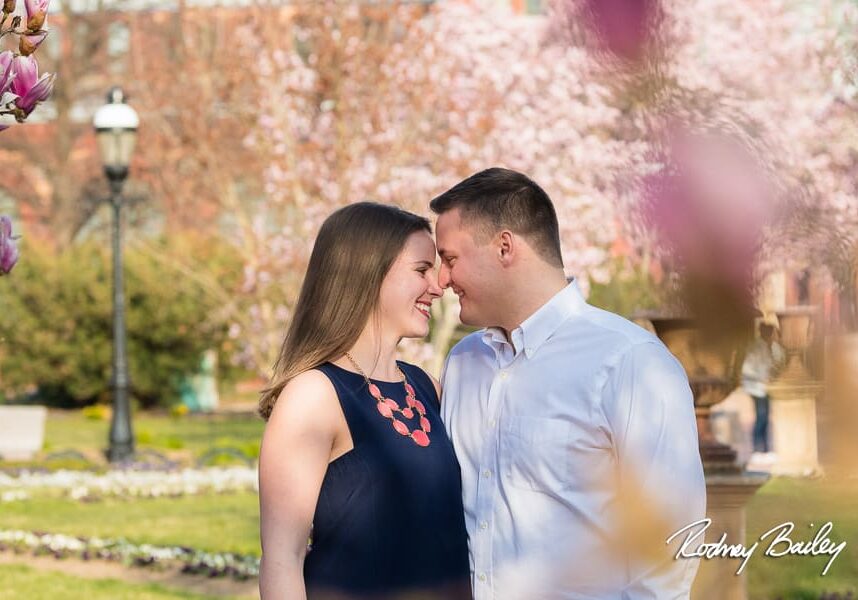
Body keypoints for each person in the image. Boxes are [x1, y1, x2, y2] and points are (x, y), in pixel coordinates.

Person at [430, 168, 707, 598]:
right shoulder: (463, 364)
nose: (441, 281)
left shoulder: (630, 363)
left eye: (449, 259)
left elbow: (671, 542)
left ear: (504, 247)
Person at [257, 202, 471, 600]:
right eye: (421, 270)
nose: (438, 286)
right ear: (368, 273)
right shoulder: (313, 396)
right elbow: (282, 559)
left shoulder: (427, 387)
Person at [741, 321, 785, 462]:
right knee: (761, 417)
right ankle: (757, 449)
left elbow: (780, 361)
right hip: (756, 387)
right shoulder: (755, 348)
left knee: (765, 418)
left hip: (767, 388)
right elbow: (747, 369)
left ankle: (765, 449)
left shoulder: (774, 347)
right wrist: (762, 378)